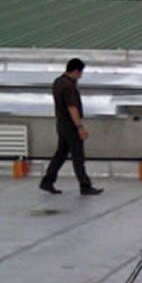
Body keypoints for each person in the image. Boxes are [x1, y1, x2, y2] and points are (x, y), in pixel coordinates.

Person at [39, 58, 103, 196]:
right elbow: (72, 107)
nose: (81, 76)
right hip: (71, 125)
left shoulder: (58, 82)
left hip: (61, 123)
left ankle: (47, 181)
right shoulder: (69, 86)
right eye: (80, 73)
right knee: (78, 156)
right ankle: (85, 185)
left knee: (61, 154)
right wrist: (80, 127)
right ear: (75, 71)